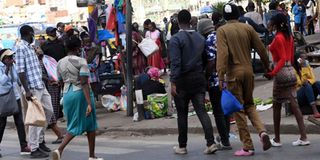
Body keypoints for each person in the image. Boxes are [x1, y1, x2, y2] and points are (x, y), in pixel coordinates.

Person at [216, 3, 272, 156]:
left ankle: (247, 146)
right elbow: (261, 48)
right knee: (250, 105)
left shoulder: (222, 31)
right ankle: (262, 132)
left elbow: (223, 55)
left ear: (224, 17)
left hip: (233, 74)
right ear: (237, 14)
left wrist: (221, 76)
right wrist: (267, 66)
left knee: (238, 110)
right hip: (249, 72)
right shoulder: (247, 28)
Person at [169, 9, 218, 155]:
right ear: (190, 21)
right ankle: (210, 142)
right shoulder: (200, 38)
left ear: (178, 22)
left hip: (182, 80)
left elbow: (175, 63)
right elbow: (206, 60)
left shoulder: (175, 39)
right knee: (201, 111)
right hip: (198, 78)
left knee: (182, 113)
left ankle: (182, 146)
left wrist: (173, 82)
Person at [52, 35, 102, 160]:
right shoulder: (81, 61)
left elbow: (60, 81)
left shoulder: (60, 62)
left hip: (68, 94)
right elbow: (84, 82)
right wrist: (89, 103)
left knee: (90, 125)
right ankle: (59, 149)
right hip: (81, 94)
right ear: (78, 47)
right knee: (75, 125)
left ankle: (92, 156)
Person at [264, 13, 309, 147]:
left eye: (271, 22)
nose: (269, 24)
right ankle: (304, 136)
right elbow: (290, 57)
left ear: (276, 24)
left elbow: (282, 58)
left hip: (281, 72)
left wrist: (272, 73)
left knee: (277, 106)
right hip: (290, 71)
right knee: (294, 104)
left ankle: (277, 139)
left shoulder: (278, 38)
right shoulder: (289, 37)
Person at [15, 25, 53, 158]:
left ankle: (40, 141)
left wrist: (44, 77)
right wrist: (27, 90)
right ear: (29, 33)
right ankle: (34, 148)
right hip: (31, 88)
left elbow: (33, 68)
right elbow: (20, 71)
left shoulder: (31, 48)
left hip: (40, 85)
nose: (34, 37)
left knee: (49, 111)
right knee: (35, 118)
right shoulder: (20, 48)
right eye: (33, 34)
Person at [197, 17, 232, 150]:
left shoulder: (208, 40)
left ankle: (225, 140)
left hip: (215, 80)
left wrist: (206, 77)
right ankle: (225, 136)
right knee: (226, 110)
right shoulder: (221, 35)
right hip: (228, 77)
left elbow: (211, 62)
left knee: (218, 111)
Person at [0, 49, 31, 157]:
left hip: (15, 96)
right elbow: (3, 81)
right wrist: (7, 69)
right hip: (4, 98)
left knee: (19, 122)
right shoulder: (1, 67)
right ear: (3, 59)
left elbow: (17, 80)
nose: (11, 60)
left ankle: (24, 146)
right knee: (1, 124)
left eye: (12, 57)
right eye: (9, 58)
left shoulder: (13, 66)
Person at [36, 46, 64, 144]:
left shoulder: (48, 59)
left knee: (50, 113)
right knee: (49, 113)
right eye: (36, 49)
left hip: (52, 87)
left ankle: (59, 135)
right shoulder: (38, 61)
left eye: (38, 48)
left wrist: (55, 80)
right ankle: (42, 139)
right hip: (48, 88)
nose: (38, 50)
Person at [80, 33, 101, 100]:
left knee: (94, 87)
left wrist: (87, 66)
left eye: (89, 42)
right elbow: (81, 62)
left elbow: (96, 63)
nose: (88, 44)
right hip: (85, 73)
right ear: (83, 42)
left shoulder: (95, 50)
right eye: (86, 42)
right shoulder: (82, 51)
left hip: (93, 73)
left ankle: (95, 99)